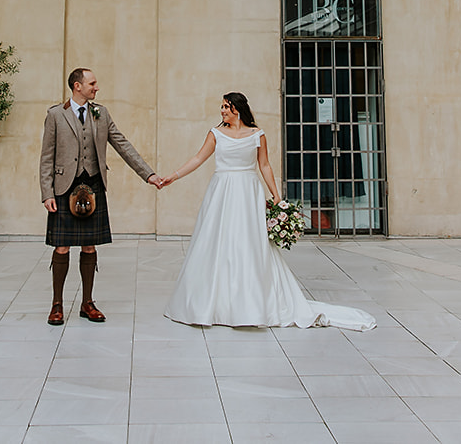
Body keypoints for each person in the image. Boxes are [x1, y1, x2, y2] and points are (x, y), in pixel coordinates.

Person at [159, 92, 375, 330]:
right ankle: (213, 303)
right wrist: (173, 176)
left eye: (226, 107)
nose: (222, 111)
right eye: (221, 107)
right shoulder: (216, 133)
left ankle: (251, 302)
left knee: (248, 243)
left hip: (247, 191)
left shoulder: (257, 135)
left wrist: (277, 197)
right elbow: (198, 158)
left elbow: (264, 165)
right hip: (221, 192)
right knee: (216, 241)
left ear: (237, 110)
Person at [40, 67, 164, 326]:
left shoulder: (101, 112)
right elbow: (46, 157)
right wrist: (46, 192)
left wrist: (148, 175)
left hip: (93, 185)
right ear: (77, 86)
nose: (96, 87)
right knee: (61, 246)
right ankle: (57, 305)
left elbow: (122, 144)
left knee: (89, 245)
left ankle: (87, 302)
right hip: (64, 187)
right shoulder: (55, 115)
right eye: (92, 83)